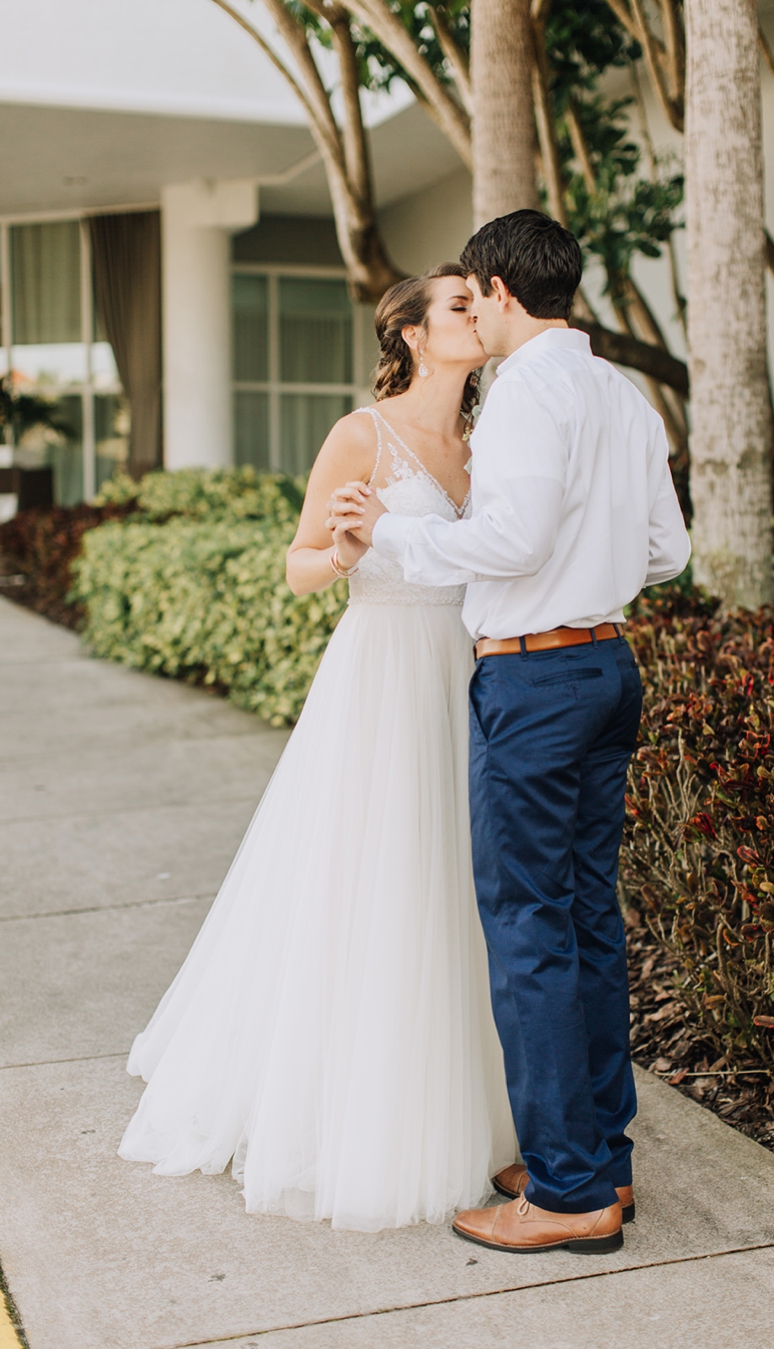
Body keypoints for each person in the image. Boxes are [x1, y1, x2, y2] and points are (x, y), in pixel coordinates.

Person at [118, 264, 517, 1232]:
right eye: (459, 305)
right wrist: (338, 555)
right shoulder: (361, 435)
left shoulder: (491, 441)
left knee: (458, 891)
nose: (477, 314)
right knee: (370, 886)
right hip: (380, 677)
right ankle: (352, 1113)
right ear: (415, 334)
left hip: (465, 680)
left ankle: (467, 1103)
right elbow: (298, 566)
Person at [330, 210, 691, 1254]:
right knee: (586, 920)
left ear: (494, 290)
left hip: (535, 680)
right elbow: (664, 550)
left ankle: (570, 1189)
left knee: (530, 929)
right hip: (608, 664)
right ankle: (598, 1161)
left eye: (469, 296)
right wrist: (590, 558)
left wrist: (396, 529)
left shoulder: (530, 388)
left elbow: (513, 535)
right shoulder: (620, 393)